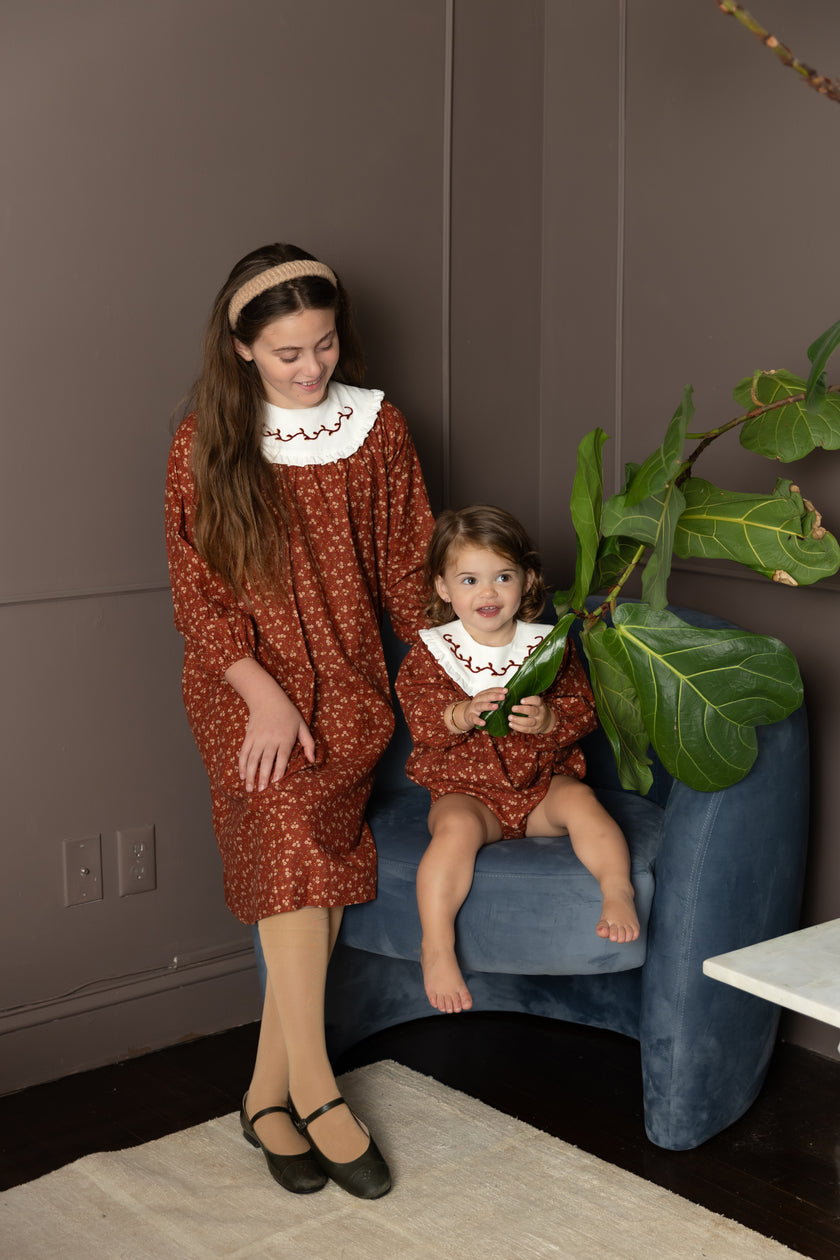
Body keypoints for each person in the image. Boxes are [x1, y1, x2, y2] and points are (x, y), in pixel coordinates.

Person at [165, 242, 433, 1199]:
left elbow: (409, 568)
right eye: (288, 352)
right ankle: (319, 1093)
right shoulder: (204, 443)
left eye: (323, 344)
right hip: (244, 691)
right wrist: (265, 696)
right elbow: (198, 595)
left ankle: (264, 1095)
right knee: (292, 840)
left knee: (310, 867)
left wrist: (473, 671)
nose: (312, 366)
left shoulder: (376, 427)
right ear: (241, 347)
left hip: (350, 689)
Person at [395, 505, 640, 1016]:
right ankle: (436, 945)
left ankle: (617, 889)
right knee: (454, 831)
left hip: (540, 785)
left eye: (502, 577)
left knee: (583, 803)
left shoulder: (547, 646)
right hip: (468, 793)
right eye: (469, 579)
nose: (488, 593)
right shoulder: (435, 652)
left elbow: (582, 709)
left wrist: (549, 720)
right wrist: (461, 713)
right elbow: (420, 714)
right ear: (443, 588)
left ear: (527, 581)